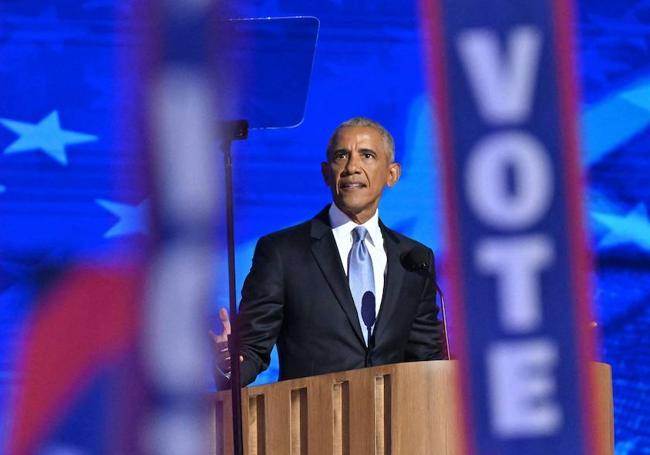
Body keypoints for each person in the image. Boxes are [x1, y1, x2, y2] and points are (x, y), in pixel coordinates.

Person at [212, 117, 445, 387]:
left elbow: (425, 358)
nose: (352, 167)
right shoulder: (282, 252)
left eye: (367, 155)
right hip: (311, 422)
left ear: (392, 174)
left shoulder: (414, 259)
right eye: (341, 156)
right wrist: (229, 364)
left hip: (393, 423)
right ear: (326, 172)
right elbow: (251, 350)